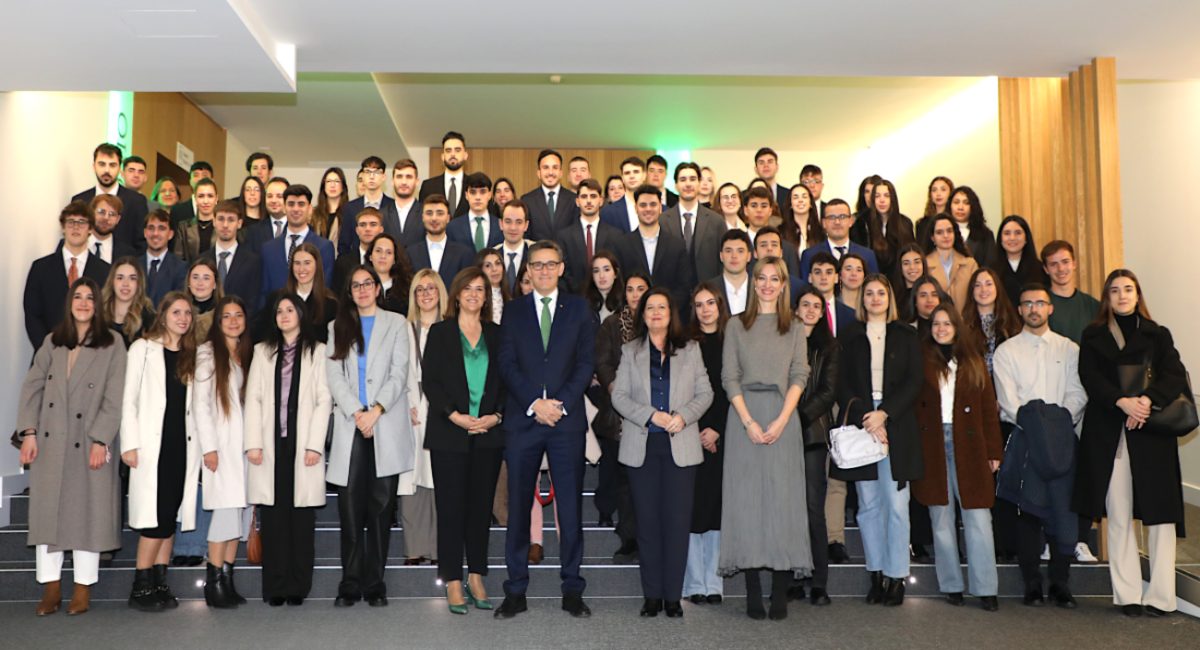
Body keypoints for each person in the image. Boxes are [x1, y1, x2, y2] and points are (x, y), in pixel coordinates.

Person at [494, 241, 599, 619]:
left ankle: (572, 588)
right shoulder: (514, 310)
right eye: (536, 265)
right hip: (523, 422)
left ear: (560, 267)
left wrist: (560, 404)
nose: (543, 271)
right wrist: (533, 404)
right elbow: (506, 362)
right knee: (519, 509)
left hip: (565, 421)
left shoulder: (578, 309)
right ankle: (516, 589)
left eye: (549, 264)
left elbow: (586, 363)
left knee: (569, 509)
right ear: (528, 270)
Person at [1075, 270, 1187, 617]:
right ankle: (1128, 595)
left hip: (1151, 434)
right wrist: (1122, 402)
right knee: (1119, 514)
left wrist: (1145, 401)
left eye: (1128, 289)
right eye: (1114, 290)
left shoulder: (1158, 334)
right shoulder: (1093, 335)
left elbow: (1174, 375)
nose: (1122, 295)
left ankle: (1163, 597)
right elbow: (1089, 378)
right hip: (1110, 432)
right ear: (1106, 297)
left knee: (1160, 518)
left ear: (1138, 295)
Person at [17, 278, 126, 616]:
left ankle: (82, 588)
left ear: (98, 304)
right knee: (48, 515)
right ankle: (50, 588)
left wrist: (100, 439)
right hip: (51, 442)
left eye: (89, 298)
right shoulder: (52, 342)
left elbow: (115, 397)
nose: (82, 303)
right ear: (69, 303)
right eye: (77, 297)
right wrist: (29, 433)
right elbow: (32, 388)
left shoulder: (113, 344)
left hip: (89, 442)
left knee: (88, 516)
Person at [611, 287, 713, 618]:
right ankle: (652, 595)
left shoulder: (691, 349)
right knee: (648, 524)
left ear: (672, 314)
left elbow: (706, 393)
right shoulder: (630, 351)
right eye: (650, 307)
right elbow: (620, 396)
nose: (656, 312)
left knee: (677, 523)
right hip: (643, 446)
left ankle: (673, 596)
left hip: (680, 446)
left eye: (662, 307)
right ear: (642, 315)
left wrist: (683, 417)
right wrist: (650, 415)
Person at [719, 256, 810, 621]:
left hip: (783, 417)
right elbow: (730, 377)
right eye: (762, 279)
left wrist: (782, 420)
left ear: (784, 284)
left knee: (783, 503)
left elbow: (799, 375)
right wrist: (749, 422)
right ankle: (753, 588)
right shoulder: (736, 326)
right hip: (743, 418)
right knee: (747, 503)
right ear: (754, 283)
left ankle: (781, 591)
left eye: (776, 279)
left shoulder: (796, 327)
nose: (769, 285)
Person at [992, 284, 1087, 609]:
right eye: (1027, 303)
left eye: (1040, 303)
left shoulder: (1070, 349)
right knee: (1028, 511)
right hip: (1025, 439)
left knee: (1064, 510)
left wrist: (1055, 423)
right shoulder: (1007, 351)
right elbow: (1008, 402)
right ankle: (1032, 582)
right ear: (1020, 310)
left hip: (1063, 440)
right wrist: (1038, 424)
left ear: (1050, 308)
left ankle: (1060, 582)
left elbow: (1077, 394)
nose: (1034, 308)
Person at [326, 266, 413, 607]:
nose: (362, 290)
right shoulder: (337, 327)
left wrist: (376, 410)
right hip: (351, 424)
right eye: (355, 286)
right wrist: (356, 412)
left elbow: (399, 371)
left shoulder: (396, 323)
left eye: (367, 284)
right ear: (349, 292)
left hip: (384, 422)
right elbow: (334, 375)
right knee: (349, 512)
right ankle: (349, 582)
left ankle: (375, 583)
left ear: (378, 288)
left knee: (379, 511)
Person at [423, 267, 507, 613]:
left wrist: (496, 416)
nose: (474, 294)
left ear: (487, 297)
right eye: (467, 289)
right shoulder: (440, 333)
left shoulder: (498, 335)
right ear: (456, 295)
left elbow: (507, 382)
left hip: (487, 434)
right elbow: (431, 381)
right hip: (449, 434)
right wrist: (455, 416)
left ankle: (476, 575)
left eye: (480, 289)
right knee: (451, 510)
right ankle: (453, 580)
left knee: (478, 510)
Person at [835, 274, 922, 606]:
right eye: (868, 293)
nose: (874, 298)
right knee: (868, 506)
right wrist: (866, 419)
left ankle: (896, 575)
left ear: (890, 298)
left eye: (880, 293)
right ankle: (876, 573)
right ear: (862, 299)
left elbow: (915, 382)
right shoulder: (850, 336)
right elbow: (842, 385)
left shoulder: (906, 334)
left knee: (897, 505)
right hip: (861, 428)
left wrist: (884, 414)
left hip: (896, 425)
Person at [911, 305, 1002, 611]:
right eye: (936, 324)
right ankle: (951, 585)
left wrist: (993, 451)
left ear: (957, 327)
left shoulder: (973, 361)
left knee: (978, 517)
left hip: (971, 446)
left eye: (947, 323)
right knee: (941, 518)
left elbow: (989, 409)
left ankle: (986, 588)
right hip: (933, 444)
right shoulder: (922, 362)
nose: (941, 328)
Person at [244, 293, 332, 606]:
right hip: (269, 447)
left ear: (301, 314)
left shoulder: (318, 351)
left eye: (290, 309)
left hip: (303, 446)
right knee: (275, 520)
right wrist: (253, 442)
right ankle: (275, 585)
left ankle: (298, 586)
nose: (284, 315)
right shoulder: (262, 351)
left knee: (301, 521)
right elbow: (252, 399)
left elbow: (324, 400)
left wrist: (314, 445)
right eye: (279, 310)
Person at [121, 292, 201, 612]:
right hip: (151, 447)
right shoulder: (142, 349)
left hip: (181, 446)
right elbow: (129, 400)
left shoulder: (190, 355)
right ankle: (140, 586)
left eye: (187, 314)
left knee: (169, 516)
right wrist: (129, 444)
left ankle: (159, 582)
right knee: (154, 520)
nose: (183, 318)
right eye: (176, 312)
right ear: (164, 314)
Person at [193, 296, 253, 608]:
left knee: (237, 519)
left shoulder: (245, 354)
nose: (232, 321)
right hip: (222, 449)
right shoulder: (207, 353)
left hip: (243, 451)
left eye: (238, 315)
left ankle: (227, 580)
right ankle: (213, 582)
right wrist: (210, 448)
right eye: (226, 316)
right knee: (224, 516)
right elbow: (200, 406)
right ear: (218, 323)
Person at [594, 272, 651, 561]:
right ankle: (628, 537)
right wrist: (619, 392)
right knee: (624, 479)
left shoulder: (658, 321)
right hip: (619, 412)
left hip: (654, 412)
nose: (636, 294)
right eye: (630, 289)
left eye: (642, 289)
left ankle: (647, 535)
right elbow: (602, 362)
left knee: (645, 480)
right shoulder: (611, 324)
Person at [792, 287, 840, 606]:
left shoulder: (831, 347)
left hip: (812, 433)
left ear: (823, 313)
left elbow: (828, 391)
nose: (810, 310)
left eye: (816, 306)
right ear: (795, 309)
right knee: (789, 509)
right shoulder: (784, 340)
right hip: (781, 434)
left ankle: (819, 582)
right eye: (805, 305)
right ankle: (795, 578)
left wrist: (796, 417)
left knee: (812, 508)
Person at [683, 284, 729, 605]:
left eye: (710, 303)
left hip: (724, 437)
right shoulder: (685, 345)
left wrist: (717, 430)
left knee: (716, 511)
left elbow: (734, 390)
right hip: (690, 436)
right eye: (698, 304)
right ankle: (694, 584)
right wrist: (699, 429)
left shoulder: (733, 339)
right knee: (692, 510)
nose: (705, 310)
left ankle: (714, 583)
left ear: (719, 305)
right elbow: (682, 392)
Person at [399, 269, 446, 566]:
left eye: (431, 288)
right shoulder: (403, 328)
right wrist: (407, 403)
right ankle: (415, 548)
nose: (426, 294)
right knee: (412, 481)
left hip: (443, 409)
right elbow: (397, 370)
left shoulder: (452, 327)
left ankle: (440, 548)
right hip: (410, 408)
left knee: (440, 480)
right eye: (420, 289)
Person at [24, 202, 112, 350]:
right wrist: (48, 350)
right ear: (63, 228)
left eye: (82, 222)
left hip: (91, 355)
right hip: (49, 356)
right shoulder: (40, 268)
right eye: (70, 222)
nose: (76, 227)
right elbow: (32, 315)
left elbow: (106, 315)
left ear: (90, 229)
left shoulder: (105, 271)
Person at [616, 185, 695, 308]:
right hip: (633, 317)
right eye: (643, 205)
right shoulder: (622, 244)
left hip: (669, 317)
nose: (648, 209)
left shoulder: (677, 245)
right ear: (635, 208)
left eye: (653, 204)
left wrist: (664, 308)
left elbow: (684, 286)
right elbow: (619, 285)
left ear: (660, 208)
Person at [71, 143, 148, 252]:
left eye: (112, 165)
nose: (107, 170)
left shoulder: (136, 201)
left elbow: (142, 243)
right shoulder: (80, 201)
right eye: (102, 164)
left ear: (119, 168)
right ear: (94, 167)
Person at [260, 184, 335, 295]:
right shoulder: (268, 249)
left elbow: (325, 288)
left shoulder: (324, 247)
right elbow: (263, 292)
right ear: (284, 208)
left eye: (301, 204)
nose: (296, 209)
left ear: (310, 209)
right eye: (291, 204)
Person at [256, 243, 337, 344]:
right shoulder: (276, 298)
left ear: (317, 265)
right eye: (297, 263)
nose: (301, 269)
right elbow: (262, 334)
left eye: (307, 263)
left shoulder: (331, 303)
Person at [661, 163, 724, 283]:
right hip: (672, 293)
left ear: (699, 183)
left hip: (708, 291)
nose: (688, 184)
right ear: (676, 185)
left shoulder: (716, 221)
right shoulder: (662, 221)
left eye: (693, 179)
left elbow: (722, 261)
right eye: (683, 179)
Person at [558, 179, 622, 292]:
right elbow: (564, 272)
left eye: (593, 196)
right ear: (577, 201)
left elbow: (618, 270)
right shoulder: (564, 237)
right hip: (575, 298)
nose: (588, 201)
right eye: (584, 196)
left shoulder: (616, 235)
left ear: (601, 201)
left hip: (608, 299)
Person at [203, 200, 261, 311]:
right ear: (213, 221)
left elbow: (254, 302)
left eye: (231, 220)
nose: (225, 225)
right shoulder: (202, 260)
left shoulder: (253, 262)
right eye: (221, 219)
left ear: (239, 223)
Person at [406, 195, 474, 290]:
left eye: (440, 213)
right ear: (422, 218)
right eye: (429, 213)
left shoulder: (464, 254)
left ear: (448, 218)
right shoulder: (410, 253)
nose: (434, 218)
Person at [799, 199, 879, 279]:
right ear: (823, 223)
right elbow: (805, 288)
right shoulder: (809, 255)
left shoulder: (867, 255)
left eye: (842, 217)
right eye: (831, 217)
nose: (837, 222)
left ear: (851, 221)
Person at [960, 267, 1021, 371]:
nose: (983, 290)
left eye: (988, 284)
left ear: (997, 287)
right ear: (972, 290)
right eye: (977, 285)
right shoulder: (964, 325)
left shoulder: (1010, 322)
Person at [1041, 240, 1101, 343]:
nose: (1060, 268)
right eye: (1053, 264)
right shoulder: (1039, 305)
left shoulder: (1092, 305)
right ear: (1046, 269)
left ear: (1074, 264)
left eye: (1065, 262)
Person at [336, 157, 394, 256]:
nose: (372, 176)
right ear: (362, 176)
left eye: (376, 172)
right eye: (367, 172)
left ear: (384, 177)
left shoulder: (393, 206)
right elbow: (344, 244)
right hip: (356, 265)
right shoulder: (350, 208)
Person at [990, 215, 1049, 308]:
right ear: (1000, 239)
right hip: (1001, 320)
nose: (1012, 238)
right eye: (1007, 233)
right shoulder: (990, 270)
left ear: (1026, 238)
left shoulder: (1040, 268)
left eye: (1018, 233)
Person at [924, 213, 979, 311]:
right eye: (939, 232)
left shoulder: (970, 264)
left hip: (965, 323)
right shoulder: (924, 265)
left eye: (949, 231)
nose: (945, 236)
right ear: (932, 238)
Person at [520, 149, 578, 240]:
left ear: (561, 173)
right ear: (539, 173)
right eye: (546, 167)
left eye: (555, 167)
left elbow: (576, 234)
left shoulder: (574, 200)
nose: (550, 172)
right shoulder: (527, 200)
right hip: (537, 253)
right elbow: (525, 236)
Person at [864, 179, 916, 276]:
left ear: (893, 199)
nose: (882, 200)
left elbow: (910, 254)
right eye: (877, 196)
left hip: (900, 278)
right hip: (874, 278)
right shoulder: (865, 224)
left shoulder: (905, 223)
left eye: (886, 196)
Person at [103, 256, 157, 346]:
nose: (125, 284)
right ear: (112, 282)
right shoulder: (98, 314)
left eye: (132, 278)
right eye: (120, 278)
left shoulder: (149, 319)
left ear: (139, 283)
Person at [334, 207, 387, 292]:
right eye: (362, 225)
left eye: (373, 224)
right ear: (357, 230)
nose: (367, 229)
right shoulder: (342, 263)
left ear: (381, 229)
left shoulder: (389, 261)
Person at [448, 172, 504, 251]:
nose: (478, 197)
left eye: (482, 192)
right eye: (473, 192)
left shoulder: (501, 225)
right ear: (466, 195)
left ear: (489, 195)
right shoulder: (453, 227)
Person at [419, 131, 470, 217]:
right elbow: (422, 218)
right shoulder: (428, 186)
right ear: (442, 156)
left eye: (457, 150)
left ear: (465, 155)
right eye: (448, 150)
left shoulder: (473, 185)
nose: (453, 154)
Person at [494, 200, 536, 295]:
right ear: (501, 224)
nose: (513, 227)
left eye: (519, 222)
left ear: (526, 225)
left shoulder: (537, 254)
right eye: (508, 222)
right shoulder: (492, 255)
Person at [948, 186, 995, 268]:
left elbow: (990, 265)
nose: (960, 207)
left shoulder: (986, 235)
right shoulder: (941, 232)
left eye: (966, 203)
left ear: (973, 206)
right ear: (950, 206)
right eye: (956, 202)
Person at [173, 178, 218, 263]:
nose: (205, 201)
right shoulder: (183, 227)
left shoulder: (223, 226)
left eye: (210, 196)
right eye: (201, 196)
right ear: (195, 199)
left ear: (216, 199)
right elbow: (178, 260)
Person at [368, 234, 414, 315]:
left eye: (388, 252)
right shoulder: (361, 285)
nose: (383, 256)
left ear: (394, 259)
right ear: (370, 256)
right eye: (378, 251)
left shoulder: (407, 288)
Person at [711, 229, 753, 316]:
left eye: (740, 251)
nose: (734, 256)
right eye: (728, 251)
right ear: (721, 256)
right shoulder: (709, 289)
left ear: (749, 256)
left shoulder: (760, 288)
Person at [599, 157, 646, 233]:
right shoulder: (608, 212)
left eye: (636, 172)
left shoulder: (661, 210)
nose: (632, 176)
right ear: (622, 178)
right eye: (627, 173)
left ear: (644, 175)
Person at [88, 194, 135, 264]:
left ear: (118, 219)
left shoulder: (127, 254)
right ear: (91, 213)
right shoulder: (76, 244)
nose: (106, 218)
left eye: (112, 214)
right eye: (101, 212)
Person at [389, 159, 426, 247]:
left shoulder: (427, 213)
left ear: (417, 182)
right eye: (399, 176)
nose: (404, 182)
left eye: (409, 177)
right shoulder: (381, 214)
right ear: (392, 181)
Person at [582, 250, 623, 324]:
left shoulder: (625, 302)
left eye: (606, 270)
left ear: (616, 273)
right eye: (596, 271)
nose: (601, 275)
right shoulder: (582, 304)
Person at [782, 183, 823, 257]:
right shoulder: (782, 231)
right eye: (795, 197)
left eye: (804, 197)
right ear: (790, 204)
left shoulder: (820, 231)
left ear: (810, 203)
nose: (800, 200)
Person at [752, 147, 789, 221]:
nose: (766, 165)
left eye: (770, 161)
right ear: (756, 169)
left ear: (777, 167)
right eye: (761, 162)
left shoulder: (789, 194)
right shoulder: (744, 196)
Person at [915, 176, 954, 244]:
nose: (938, 194)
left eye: (943, 189)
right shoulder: (922, 224)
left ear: (951, 193)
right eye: (934, 190)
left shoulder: (955, 220)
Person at [890, 243, 928, 314]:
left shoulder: (934, 293)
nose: (912, 267)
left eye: (917, 262)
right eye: (906, 263)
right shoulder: (892, 298)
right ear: (900, 267)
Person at [312, 167, 348, 242]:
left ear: (343, 187)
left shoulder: (349, 213)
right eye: (328, 181)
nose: (332, 185)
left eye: (337, 181)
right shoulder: (314, 213)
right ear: (323, 186)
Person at [476, 249, 511, 323]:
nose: (494, 269)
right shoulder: (476, 297)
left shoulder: (510, 297)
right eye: (488, 266)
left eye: (498, 263)